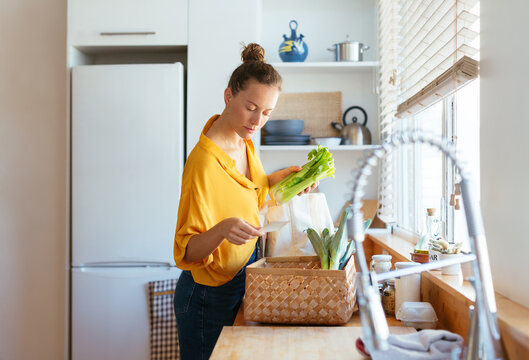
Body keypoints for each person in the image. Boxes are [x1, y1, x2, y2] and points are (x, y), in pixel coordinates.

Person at [172, 43, 317, 360]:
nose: (257, 120)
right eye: (251, 107)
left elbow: (250, 193)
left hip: (244, 272)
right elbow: (186, 251)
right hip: (208, 295)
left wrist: (280, 181)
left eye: (267, 113)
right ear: (228, 96)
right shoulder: (204, 164)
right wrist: (223, 229)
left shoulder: (245, 139)